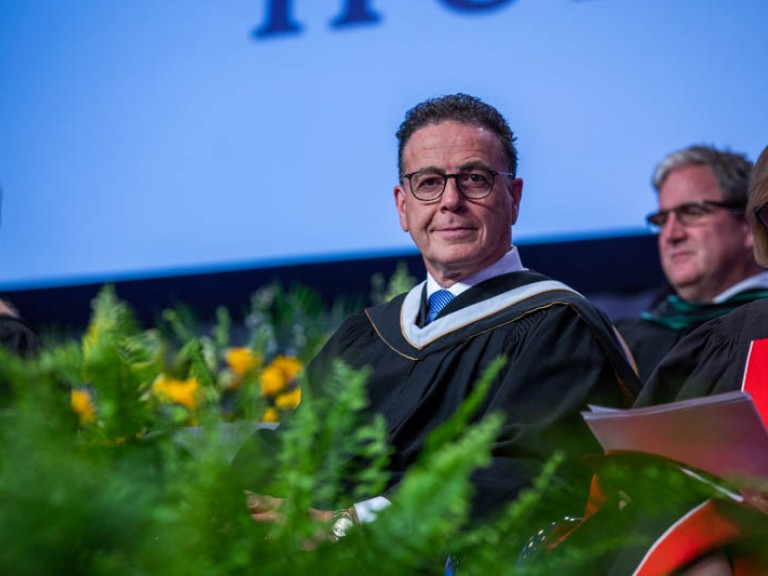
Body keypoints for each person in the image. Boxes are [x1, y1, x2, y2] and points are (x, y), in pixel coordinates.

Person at [273, 93, 641, 534]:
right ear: (402, 206)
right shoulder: (365, 337)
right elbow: (289, 446)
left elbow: (523, 478)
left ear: (514, 196)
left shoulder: (556, 325)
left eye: (475, 179)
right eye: (428, 182)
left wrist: (348, 527)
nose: (451, 200)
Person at [616, 145, 768, 382]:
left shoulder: (759, 328)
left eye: (693, 212)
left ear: (748, 225)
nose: (671, 234)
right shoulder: (624, 340)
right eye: (662, 220)